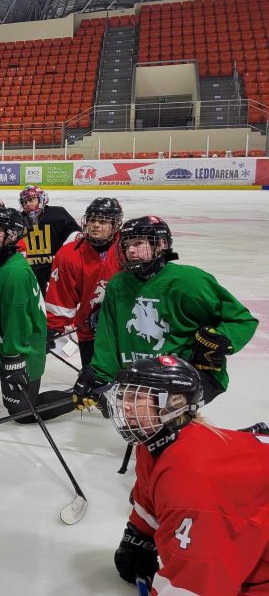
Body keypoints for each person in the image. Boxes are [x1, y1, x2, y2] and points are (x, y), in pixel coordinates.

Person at [105, 354, 269, 595]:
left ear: (173, 403)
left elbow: (199, 578)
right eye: (123, 396)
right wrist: (140, 537)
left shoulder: (192, 477)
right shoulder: (154, 443)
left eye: (135, 397)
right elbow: (149, 493)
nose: (124, 405)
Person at [73, 215, 258, 410]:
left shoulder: (189, 281)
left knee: (162, 422)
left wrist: (221, 339)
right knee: (141, 424)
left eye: (138, 243)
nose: (131, 251)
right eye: (127, 245)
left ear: (160, 244)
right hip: (141, 376)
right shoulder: (118, 284)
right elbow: (108, 337)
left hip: (186, 374)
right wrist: (98, 375)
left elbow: (241, 320)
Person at [0, 207, 73, 422]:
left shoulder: (14, 274)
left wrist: (15, 359)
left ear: (12, 235)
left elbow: (17, 323)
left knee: (21, 413)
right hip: (3, 341)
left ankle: (76, 397)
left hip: (23, 349)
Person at [44, 197, 123, 367]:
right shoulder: (69, 254)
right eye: (92, 220)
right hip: (89, 330)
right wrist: (52, 328)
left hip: (126, 330)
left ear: (115, 225)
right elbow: (61, 297)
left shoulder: (128, 251)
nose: (95, 225)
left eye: (102, 221)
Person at [18, 185, 80, 293]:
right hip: (28, 273)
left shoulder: (57, 215)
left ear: (42, 199)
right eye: (24, 202)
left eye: (31, 200)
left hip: (54, 271)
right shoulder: (19, 219)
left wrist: (64, 255)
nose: (27, 204)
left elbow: (76, 235)